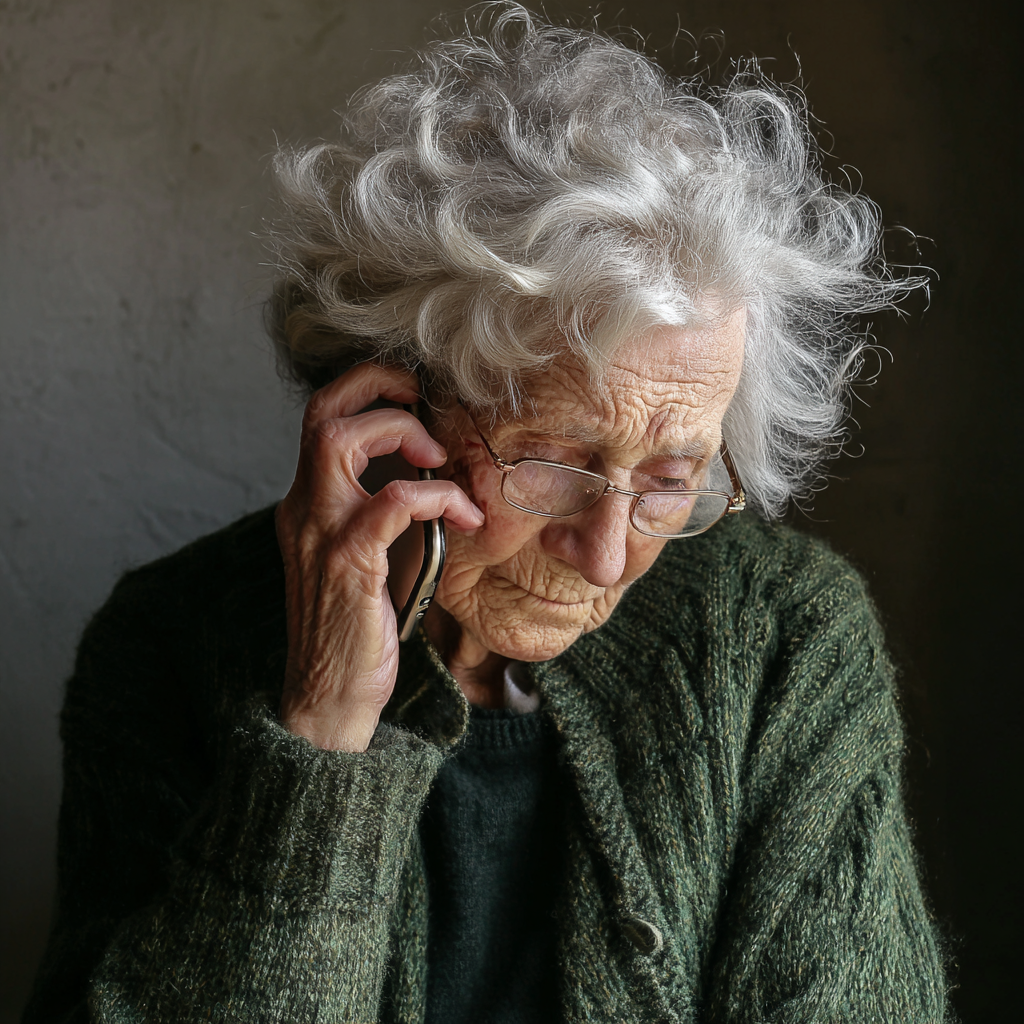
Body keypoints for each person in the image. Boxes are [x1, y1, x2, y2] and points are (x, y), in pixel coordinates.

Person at [24, 5, 949, 1022]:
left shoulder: (784, 640)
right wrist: (324, 737)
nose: (604, 554)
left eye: (670, 478)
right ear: (392, 405)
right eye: (553, 463)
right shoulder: (168, 647)